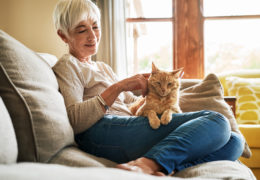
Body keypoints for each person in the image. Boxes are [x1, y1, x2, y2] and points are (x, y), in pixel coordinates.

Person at [52, 0, 244, 176]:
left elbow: (132, 103)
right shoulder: (68, 65)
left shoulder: (102, 67)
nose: (92, 35)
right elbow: (75, 120)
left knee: (234, 142)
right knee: (217, 121)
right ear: (63, 35)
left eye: (95, 27)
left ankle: (164, 165)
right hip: (102, 131)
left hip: (129, 126)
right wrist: (119, 86)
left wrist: (156, 90)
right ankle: (148, 164)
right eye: (81, 30)